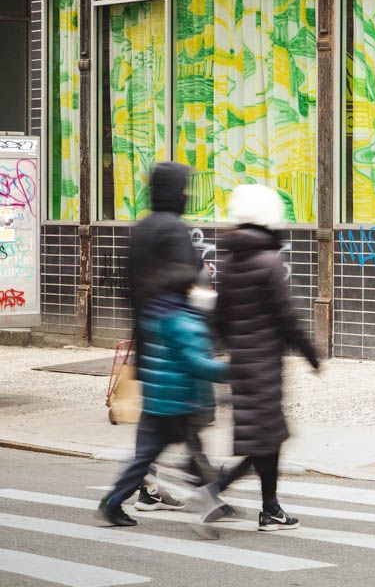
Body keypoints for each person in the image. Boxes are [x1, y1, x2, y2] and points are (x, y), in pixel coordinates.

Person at [197, 184, 321, 532]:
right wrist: (312, 355)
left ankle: (270, 508)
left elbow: (220, 318)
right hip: (265, 365)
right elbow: (287, 318)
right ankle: (214, 492)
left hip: (242, 364)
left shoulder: (230, 262)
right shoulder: (269, 262)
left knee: (266, 438)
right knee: (265, 439)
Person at [97, 267, 227, 527]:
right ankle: (209, 502)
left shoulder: (156, 313)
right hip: (178, 402)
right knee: (196, 455)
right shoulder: (183, 321)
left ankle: (113, 501)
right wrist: (235, 371)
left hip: (155, 399)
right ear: (188, 291)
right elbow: (198, 364)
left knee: (143, 458)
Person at [125, 162, 215, 506]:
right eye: (185, 188)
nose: (187, 194)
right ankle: (208, 490)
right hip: (177, 339)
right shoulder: (174, 230)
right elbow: (191, 283)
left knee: (156, 420)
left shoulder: (142, 228)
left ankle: (147, 487)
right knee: (186, 415)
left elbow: (128, 286)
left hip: (149, 338)